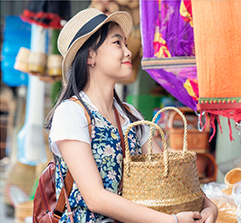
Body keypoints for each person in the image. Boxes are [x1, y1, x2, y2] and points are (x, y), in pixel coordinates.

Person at [45, 8, 218, 223]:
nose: (128, 52)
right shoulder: (71, 113)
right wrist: (171, 221)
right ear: (90, 55)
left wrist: (208, 206)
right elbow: (96, 199)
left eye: (126, 44)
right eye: (117, 43)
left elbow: (168, 173)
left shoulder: (130, 115)